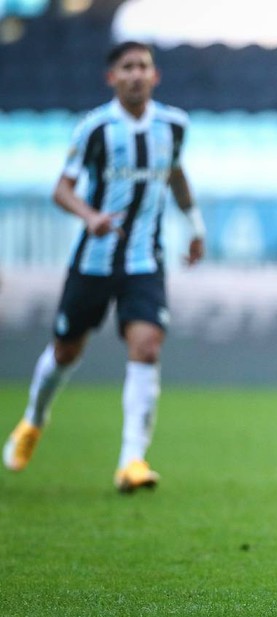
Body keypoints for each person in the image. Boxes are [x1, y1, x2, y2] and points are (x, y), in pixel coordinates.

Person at [2, 41, 206, 493]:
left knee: (147, 347)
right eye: (127, 67)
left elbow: (175, 174)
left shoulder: (173, 126)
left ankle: (131, 460)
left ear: (156, 77)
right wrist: (89, 216)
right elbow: (62, 189)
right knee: (65, 350)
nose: (136, 74)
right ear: (111, 77)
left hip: (144, 261)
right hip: (93, 261)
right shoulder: (95, 129)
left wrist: (194, 225)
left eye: (144, 67)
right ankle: (33, 422)